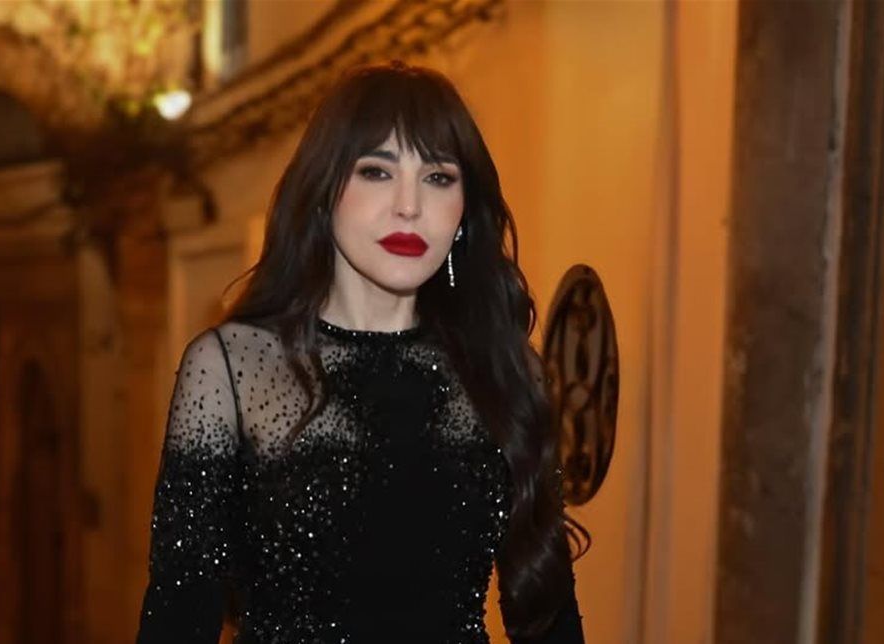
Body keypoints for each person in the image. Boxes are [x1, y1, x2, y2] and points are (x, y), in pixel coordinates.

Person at [135, 62, 587, 643]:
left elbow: (550, 622)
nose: (409, 206)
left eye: (438, 177)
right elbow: (178, 614)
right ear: (325, 193)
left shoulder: (504, 372)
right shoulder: (233, 369)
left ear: (463, 213)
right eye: (377, 171)